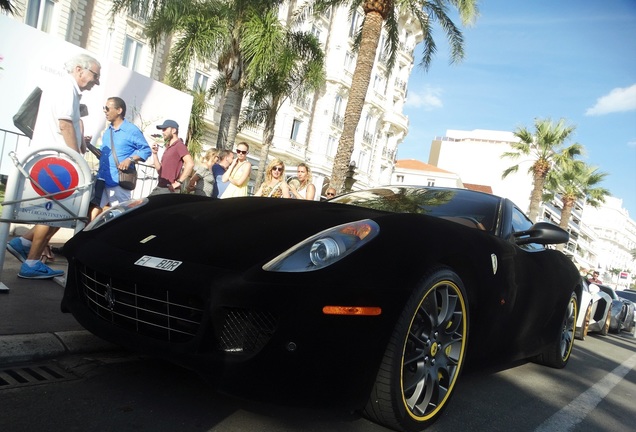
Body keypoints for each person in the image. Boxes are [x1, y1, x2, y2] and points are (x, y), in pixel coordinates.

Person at [6, 53, 101, 279]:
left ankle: (22, 244)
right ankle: (30, 262)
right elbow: (64, 124)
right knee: (54, 212)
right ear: (80, 70)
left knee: (61, 213)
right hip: (58, 162)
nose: (96, 81)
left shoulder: (67, 89)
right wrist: (77, 160)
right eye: (95, 75)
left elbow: (69, 124)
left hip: (55, 160)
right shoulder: (66, 88)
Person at [93, 97, 151, 216]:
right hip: (103, 179)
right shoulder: (108, 131)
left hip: (119, 181)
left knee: (119, 216)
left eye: (107, 108)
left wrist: (130, 159)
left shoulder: (131, 130)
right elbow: (103, 155)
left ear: (119, 110)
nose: (105, 111)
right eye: (104, 108)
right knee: (93, 210)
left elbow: (146, 150)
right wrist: (88, 145)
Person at [148, 119, 194, 195]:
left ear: (173, 130)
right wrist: (155, 154)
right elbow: (160, 171)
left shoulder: (179, 145)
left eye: (165, 129)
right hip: (161, 187)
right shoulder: (169, 147)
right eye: (162, 130)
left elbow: (190, 163)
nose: (162, 132)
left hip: (169, 189)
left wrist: (179, 182)